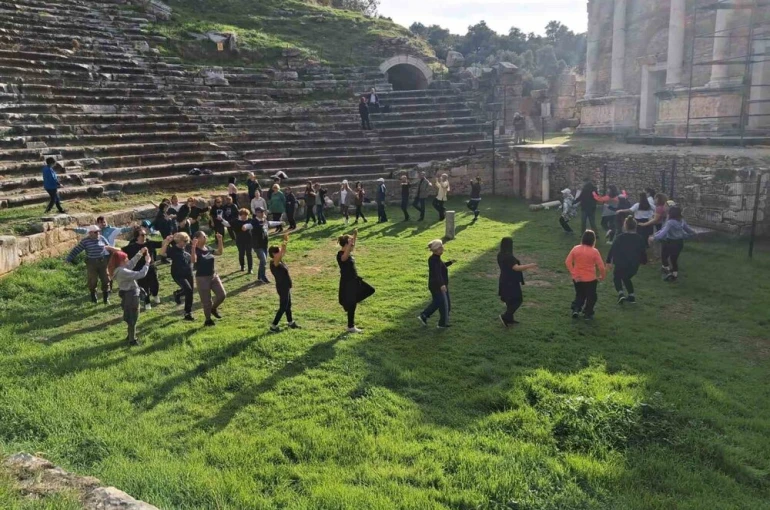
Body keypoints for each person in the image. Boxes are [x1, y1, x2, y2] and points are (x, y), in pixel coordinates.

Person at [65, 225, 119, 304]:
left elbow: (109, 248)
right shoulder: (85, 241)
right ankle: (93, 297)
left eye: (98, 231)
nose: (98, 233)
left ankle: (106, 299)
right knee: (93, 280)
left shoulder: (102, 238)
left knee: (106, 279)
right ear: (90, 233)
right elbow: (76, 250)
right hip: (91, 263)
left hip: (102, 262)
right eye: (95, 232)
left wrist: (111, 259)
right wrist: (68, 259)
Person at [109, 248, 151, 346]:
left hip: (127, 295)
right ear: (121, 261)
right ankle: (132, 340)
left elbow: (131, 263)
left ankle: (130, 336)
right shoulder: (123, 272)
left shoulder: (119, 269)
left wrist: (140, 252)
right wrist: (147, 263)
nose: (128, 260)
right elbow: (141, 274)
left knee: (130, 316)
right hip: (131, 295)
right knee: (133, 317)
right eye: (126, 258)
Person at [337, 229, 374, 334]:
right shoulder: (340, 255)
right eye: (350, 243)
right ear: (346, 244)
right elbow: (344, 258)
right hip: (347, 283)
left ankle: (350, 303)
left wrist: (355, 236)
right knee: (352, 305)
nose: (352, 244)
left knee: (370, 290)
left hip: (354, 280)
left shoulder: (349, 251)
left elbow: (351, 248)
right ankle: (350, 327)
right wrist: (350, 243)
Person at [565, 230, 606, 321]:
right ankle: (588, 313)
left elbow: (568, 262)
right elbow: (601, 267)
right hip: (590, 279)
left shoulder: (576, 248)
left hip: (577, 278)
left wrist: (574, 273)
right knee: (591, 297)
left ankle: (576, 309)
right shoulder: (594, 251)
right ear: (593, 240)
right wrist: (602, 276)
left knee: (580, 294)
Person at [605, 217, 648, 305]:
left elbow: (612, 249)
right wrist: (644, 260)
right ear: (635, 226)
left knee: (617, 277)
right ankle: (631, 296)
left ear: (625, 226)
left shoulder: (620, 237)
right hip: (634, 264)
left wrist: (608, 261)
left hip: (621, 262)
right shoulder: (639, 238)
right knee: (626, 277)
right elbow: (643, 251)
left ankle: (621, 293)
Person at [497, 237, 537, 327]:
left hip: (503, 280)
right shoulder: (509, 257)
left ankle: (509, 319)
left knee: (509, 300)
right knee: (518, 300)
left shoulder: (500, 254)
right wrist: (530, 265)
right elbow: (516, 268)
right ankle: (506, 316)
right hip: (511, 282)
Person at [122, 226, 163, 311]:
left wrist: (169, 239)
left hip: (151, 268)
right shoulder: (132, 246)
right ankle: (147, 302)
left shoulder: (149, 243)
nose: (145, 236)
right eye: (142, 235)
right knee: (144, 287)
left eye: (145, 234)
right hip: (139, 270)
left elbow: (161, 244)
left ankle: (155, 294)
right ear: (137, 236)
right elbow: (121, 251)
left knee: (155, 284)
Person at [191, 231, 226, 327]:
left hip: (213, 276)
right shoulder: (196, 250)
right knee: (206, 301)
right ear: (197, 239)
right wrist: (193, 247)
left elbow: (219, 252)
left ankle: (213, 309)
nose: (206, 237)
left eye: (205, 235)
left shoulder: (208, 248)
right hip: (202, 278)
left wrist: (220, 240)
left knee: (222, 295)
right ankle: (208, 320)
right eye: (204, 236)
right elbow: (193, 260)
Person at [653, 205, 696, 282]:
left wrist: (654, 237)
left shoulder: (670, 222)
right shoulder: (681, 221)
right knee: (674, 260)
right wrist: (693, 233)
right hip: (679, 243)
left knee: (664, 257)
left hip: (670, 242)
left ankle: (668, 272)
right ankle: (674, 276)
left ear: (671, 214)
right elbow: (688, 229)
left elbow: (663, 232)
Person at [417, 239, 453, 329]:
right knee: (442, 303)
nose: (443, 248)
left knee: (443, 304)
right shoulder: (433, 260)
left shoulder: (436, 259)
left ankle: (440, 322)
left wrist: (449, 263)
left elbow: (440, 267)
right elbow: (437, 273)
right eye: (441, 247)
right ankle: (425, 316)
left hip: (439, 285)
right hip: (437, 286)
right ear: (436, 250)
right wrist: (442, 285)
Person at [268, 234, 301, 332]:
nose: (281, 252)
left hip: (285, 286)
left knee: (288, 305)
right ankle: (273, 326)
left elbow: (283, 252)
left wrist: (285, 243)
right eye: (278, 251)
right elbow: (281, 253)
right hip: (282, 287)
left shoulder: (279, 260)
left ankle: (290, 322)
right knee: (283, 307)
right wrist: (284, 242)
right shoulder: (275, 263)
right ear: (274, 254)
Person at [160, 232, 195, 321]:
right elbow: (162, 253)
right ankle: (188, 313)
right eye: (184, 241)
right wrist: (166, 243)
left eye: (187, 240)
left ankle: (178, 294)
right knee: (188, 290)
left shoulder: (187, 247)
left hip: (188, 272)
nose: (186, 242)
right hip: (178, 274)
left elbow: (193, 259)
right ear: (179, 241)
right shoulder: (173, 250)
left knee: (190, 291)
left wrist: (194, 247)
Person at [224, 208, 254, 273]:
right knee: (241, 254)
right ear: (240, 215)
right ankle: (242, 266)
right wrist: (221, 219)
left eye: (246, 215)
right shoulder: (236, 221)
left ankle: (250, 269)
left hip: (249, 240)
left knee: (249, 254)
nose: (244, 216)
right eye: (243, 215)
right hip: (240, 240)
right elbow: (227, 224)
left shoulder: (250, 220)